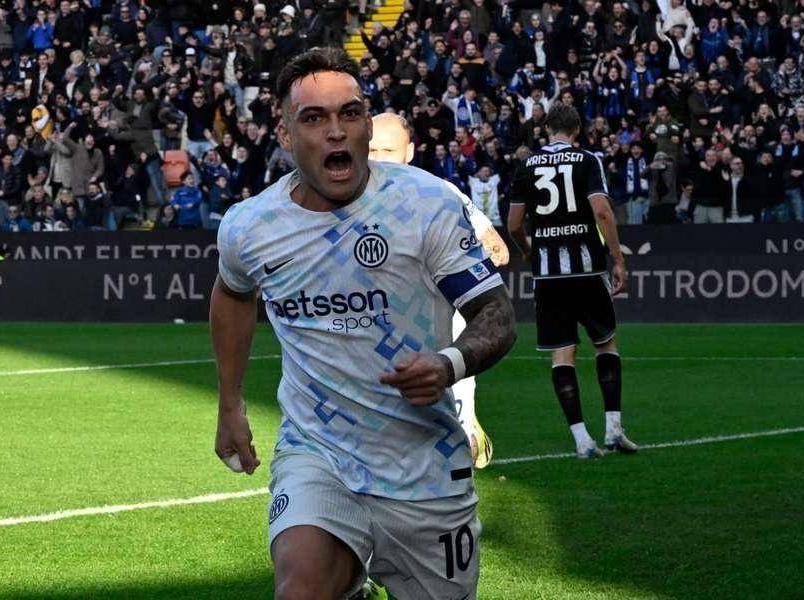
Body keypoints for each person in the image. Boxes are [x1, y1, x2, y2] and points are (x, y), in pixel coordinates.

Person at [211, 48, 516, 599]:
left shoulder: (425, 204)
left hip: (424, 467)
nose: (335, 131)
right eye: (313, 118)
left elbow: (495, 313)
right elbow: (232, 294)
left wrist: (448, 364)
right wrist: (230, 404)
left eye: (349, 114)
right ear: (285, 136)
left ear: (367, 125)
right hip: (318, 452)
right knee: (301, 587)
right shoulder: (251, 227)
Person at [368, 111, 511, 470]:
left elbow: (498, 250)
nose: (378, 159)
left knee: (451, 446)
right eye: (371, 150)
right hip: (378, 323)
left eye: (388, 150)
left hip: (440, 321)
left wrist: (448, 268)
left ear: (409, 152)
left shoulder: (441, 193)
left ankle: (468, 434)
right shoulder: (343, 199)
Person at [506, 103, 637, 459]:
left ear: (548, 129)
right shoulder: (587, 160)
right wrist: (618, 258)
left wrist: (528, 251)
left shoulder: (527, 165)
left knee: (562, 353)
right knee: (605, 344)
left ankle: (582, 440)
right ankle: (613, 429)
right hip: (587, 269)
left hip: (549, 275)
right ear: (576, 130)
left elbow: (514, 224)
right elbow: (602, 211)